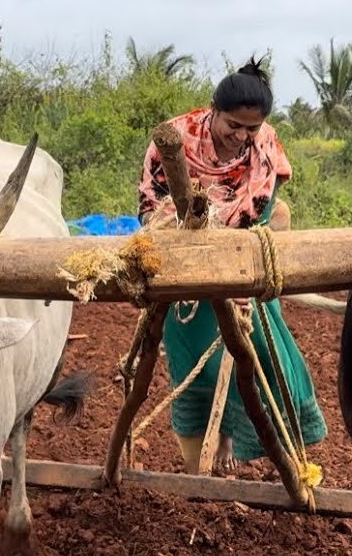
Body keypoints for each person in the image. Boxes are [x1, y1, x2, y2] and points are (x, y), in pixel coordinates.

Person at [137, 57, 327, 475]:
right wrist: (187, 227)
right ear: (212, 111)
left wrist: (226, 240)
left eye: (251, 129)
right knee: (192, 361)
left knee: (260, 351)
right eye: (232, 126)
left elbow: (260, 210)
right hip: (182, 264)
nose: (240, 137)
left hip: (241, 265)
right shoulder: (175, 138)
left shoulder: (265, 147)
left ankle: (261, 447)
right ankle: (198, 465)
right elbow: (151, 207)